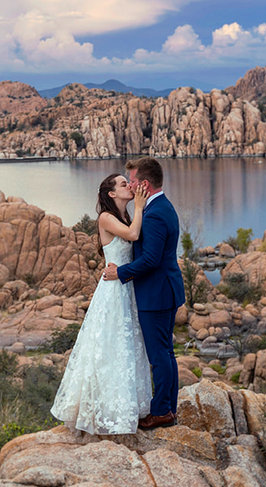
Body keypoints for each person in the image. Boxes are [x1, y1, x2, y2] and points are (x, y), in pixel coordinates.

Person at [51, 174, 152, 435]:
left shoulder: (125, 215)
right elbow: (132, 235)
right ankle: (103, 412)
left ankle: (125, 408)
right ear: (111, 195)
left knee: (126, 347)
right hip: (113, 292)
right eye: (122, 184)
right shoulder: (107, 218)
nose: (128, 186)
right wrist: (141, 205)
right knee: (109, 347)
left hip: (125, 286)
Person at [103, 156, 185, 429]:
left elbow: (150, 259)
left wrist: (121, 273)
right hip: (161, 291)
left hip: (157, 294)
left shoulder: (155, 213)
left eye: (134, 181)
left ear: (145, 184)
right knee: (165, 354)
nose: (131, 184)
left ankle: (162, 410)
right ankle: (168, 408)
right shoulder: (157, 207)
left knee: (159, 356)